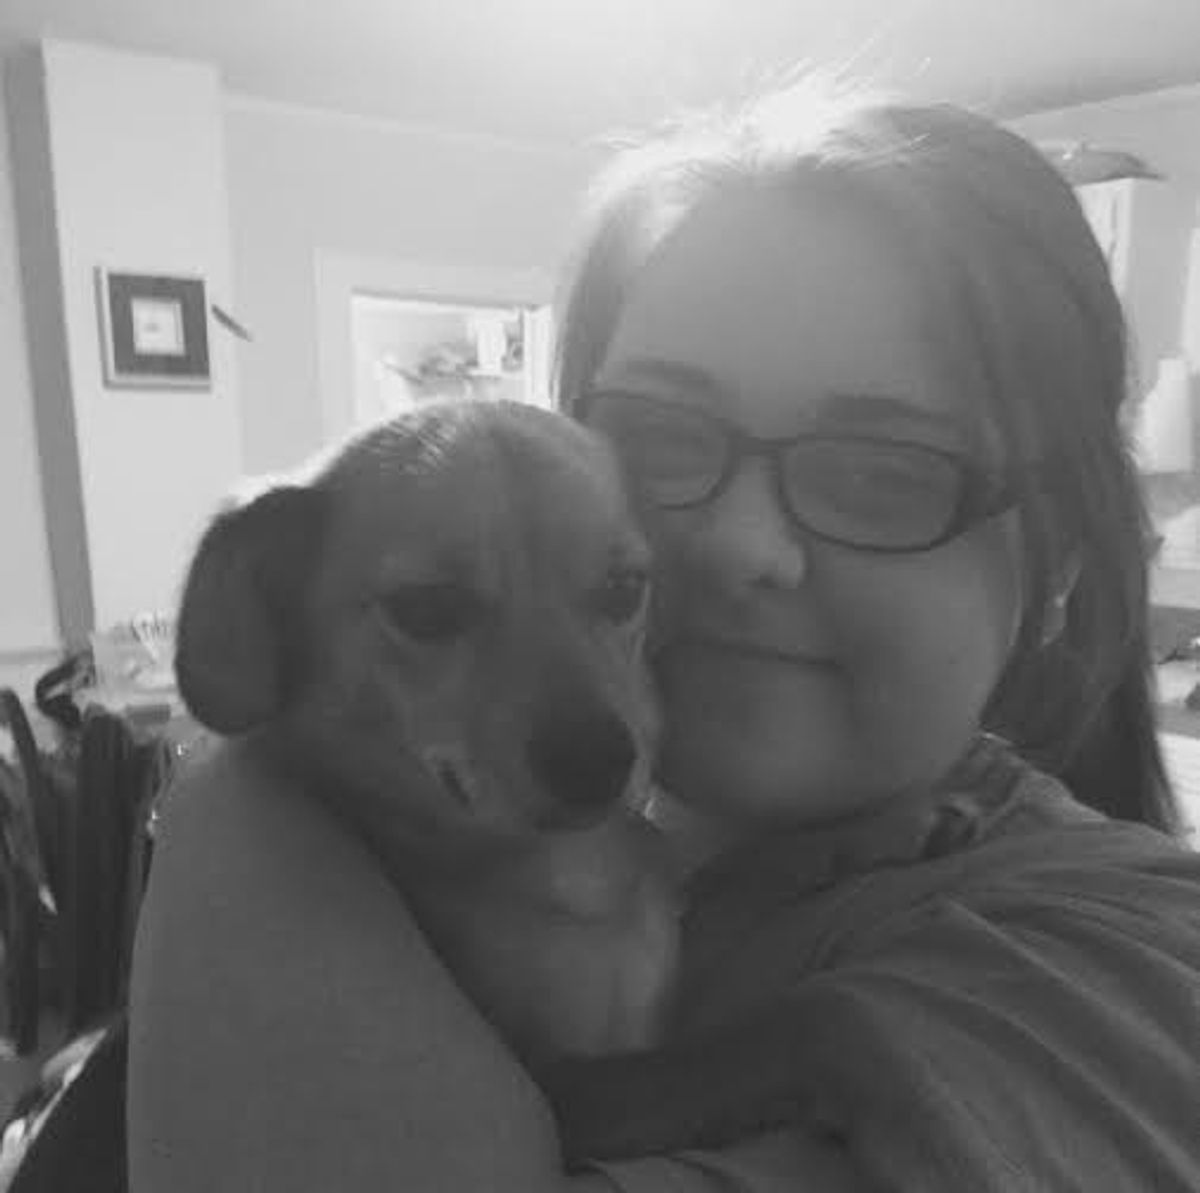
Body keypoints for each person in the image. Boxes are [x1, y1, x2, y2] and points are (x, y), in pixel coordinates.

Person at [126, 77, 1200, 1192]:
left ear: (1064, 562)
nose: (734, 543)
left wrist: (232, 812)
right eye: (662, 436)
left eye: (886, 470)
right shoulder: (610, 844)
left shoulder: (1132, 978)